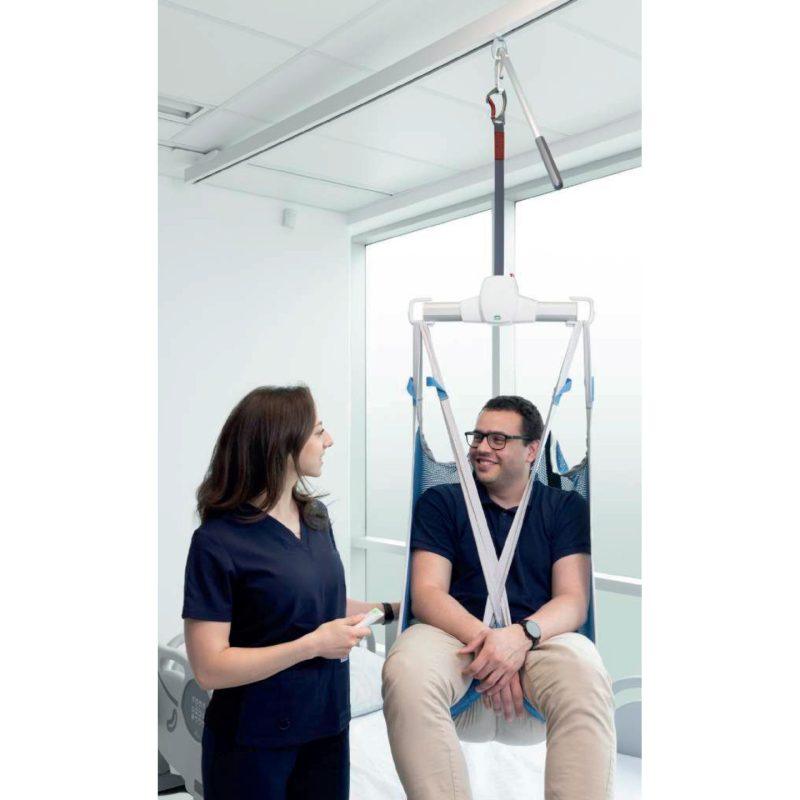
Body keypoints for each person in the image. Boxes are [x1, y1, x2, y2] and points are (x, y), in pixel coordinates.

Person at [382, 395, 616, 800]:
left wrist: (520, 638)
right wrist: (493, 645)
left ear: (531, 451)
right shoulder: (443, 502)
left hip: (538, 639)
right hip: (456, 638)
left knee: (587, 674)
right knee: (405, 669)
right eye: (477, 437)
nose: (481, 447)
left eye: (497, 439)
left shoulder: (564, 508)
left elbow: (573, 600)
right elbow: (427, 593)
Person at [182, 385, 398, 800]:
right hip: (253, 740)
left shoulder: (316, 517)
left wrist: (394, 608)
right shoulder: (217, 542)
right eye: (318, 431)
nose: (329, 440)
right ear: (281, 444)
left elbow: (317, 605)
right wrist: (312, 645)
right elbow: (210, 667)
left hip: (326, 726)